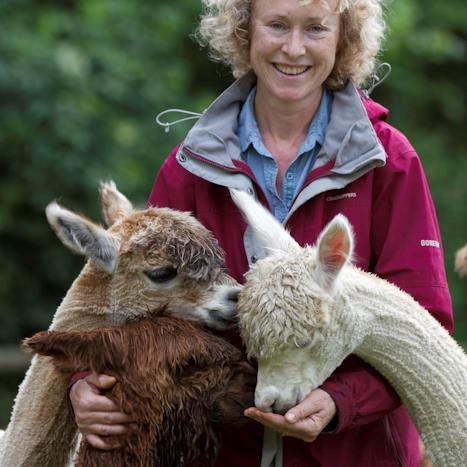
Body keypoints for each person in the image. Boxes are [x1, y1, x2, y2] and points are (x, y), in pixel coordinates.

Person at [70, 0, 453, 465]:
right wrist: (86, 384)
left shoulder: (388, 161)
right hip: (219, 450)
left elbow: (423, 321)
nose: (294, 48)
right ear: (244, 30)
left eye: (315, 28)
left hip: (356, 451)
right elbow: (128, 302)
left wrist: (341, 401)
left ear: (342, 37)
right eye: (276, 25)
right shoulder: (191, 167)